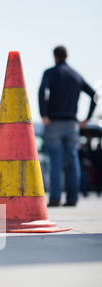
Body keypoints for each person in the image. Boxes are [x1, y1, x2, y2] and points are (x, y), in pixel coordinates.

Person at [39, 46, 97, 207]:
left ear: (55, 56)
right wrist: (86, 118)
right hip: (72, 123)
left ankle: (55, 197)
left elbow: (42, 91)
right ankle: (73, 197)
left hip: (54, 121)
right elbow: (95, 95)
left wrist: (43, 114)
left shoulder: (50, 73)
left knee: (55, 161)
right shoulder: (76, 75)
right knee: (72, 160)